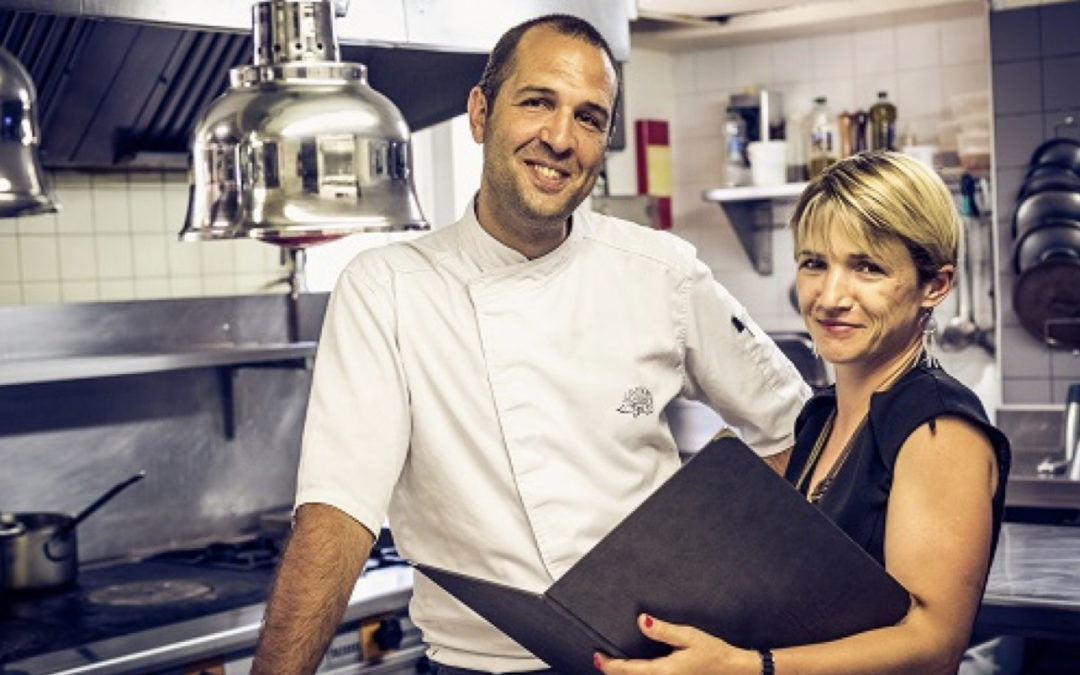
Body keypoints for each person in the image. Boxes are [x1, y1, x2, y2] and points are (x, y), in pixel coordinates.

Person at [250, 13, 811, 675]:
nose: (560, 138)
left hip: (651, 662)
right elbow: (338, 512)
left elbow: (789, 427)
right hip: (475, 665)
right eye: (537, 101)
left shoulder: (663, 271)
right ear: (480, 114)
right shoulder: (387, 288)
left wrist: (723, 590)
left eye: (589, 117)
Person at [596, 151, 1011, 675]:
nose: (830, 296)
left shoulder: (936, 427)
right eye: (815, 263)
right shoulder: (819, 419)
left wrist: (749, 666)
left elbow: (932, 645)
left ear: (936, 284)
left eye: (867, 267)